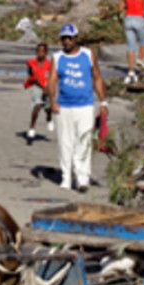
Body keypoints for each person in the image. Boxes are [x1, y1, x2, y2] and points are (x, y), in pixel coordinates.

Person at [48, 24, 107, 192]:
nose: (66, 41)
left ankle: (82, 179)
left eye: (69, 38)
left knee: (84, 141)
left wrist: (103, 102)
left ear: (76, 38)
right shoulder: (57, 57)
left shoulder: (88, 55)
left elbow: (97, 78)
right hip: (64, 106)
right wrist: (52, 100)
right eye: (63, 38)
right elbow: (52, 80)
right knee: (65, 143)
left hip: (85, 105)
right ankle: (66, 178)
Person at [23, 42, 54, 142]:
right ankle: (32, 127)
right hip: (36, 87)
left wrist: (48, 89)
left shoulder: (50, 65)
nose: (41, 53)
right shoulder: (32, 62)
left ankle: (49, 119)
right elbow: (29, 73)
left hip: (47, 87)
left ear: (46, 52)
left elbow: (52, 79)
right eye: (39, 51)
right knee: (37, 105)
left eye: (43, 52)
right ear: (36, 52)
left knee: (48, 108)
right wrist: (29, 80)